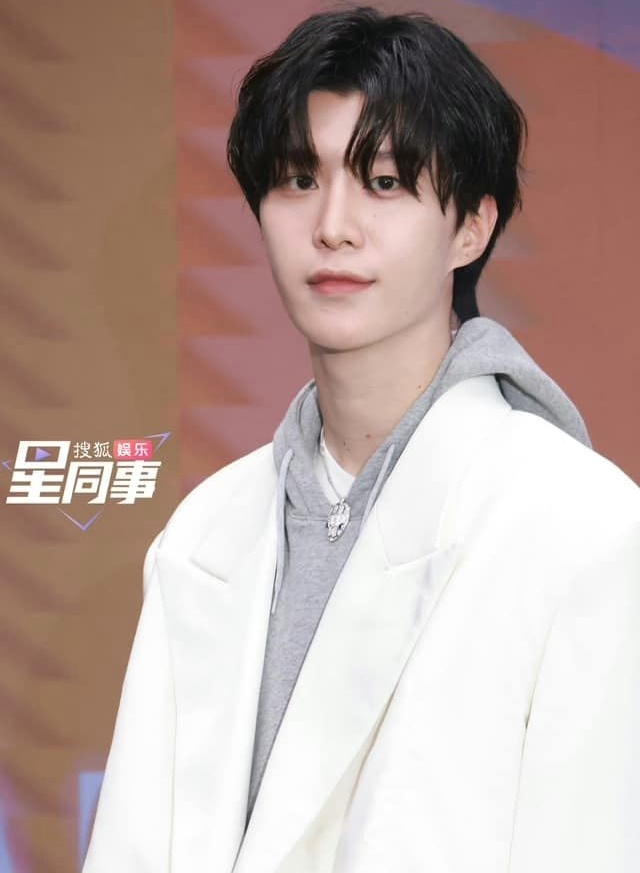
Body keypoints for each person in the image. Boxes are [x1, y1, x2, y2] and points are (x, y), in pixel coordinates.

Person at [83, 6, 640, 872]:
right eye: (298, 179)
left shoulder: (581, 525)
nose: (332, 225)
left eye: (383, 182)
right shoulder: (204, 533)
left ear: (472, 225)